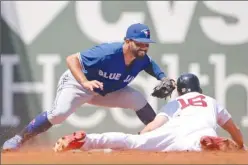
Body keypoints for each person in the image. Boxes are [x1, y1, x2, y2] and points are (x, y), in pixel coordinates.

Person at [2, 23, 174, 152]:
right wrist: (84, 82)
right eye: (139, 43)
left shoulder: (142, 57)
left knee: (137, 99)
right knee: (58, 114)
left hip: (106, 91)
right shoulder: (107, 52)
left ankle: (160, 138)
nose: (144, 47)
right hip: (79, 85)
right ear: (128, 41)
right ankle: (19, 138)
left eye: (146, 44)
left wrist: (163, 78)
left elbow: (150, 64)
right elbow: (71, 59)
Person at [53, 73, 247, 153]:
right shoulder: (210, 102)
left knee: (132, 142)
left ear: (179, 91)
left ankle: (87, 140)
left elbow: (153, 126)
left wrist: (140, 138)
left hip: (171, 131)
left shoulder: (175, 102)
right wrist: (241, 146)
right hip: (200, 131)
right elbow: (233, 127)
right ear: (200, 90)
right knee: (197, 146)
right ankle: (204, 142)